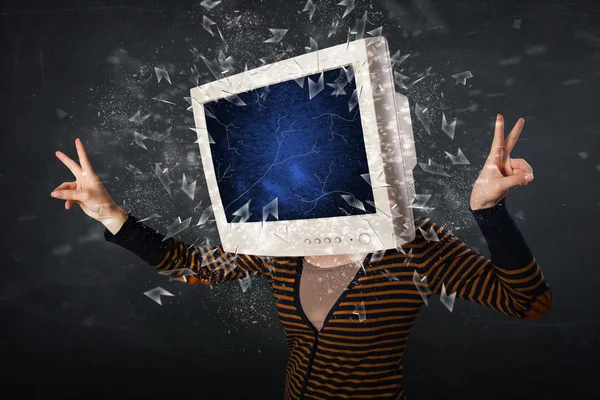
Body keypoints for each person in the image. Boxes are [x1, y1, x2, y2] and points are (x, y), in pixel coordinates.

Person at [50, 114, 552, 399]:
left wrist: (489, 211)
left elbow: (528, 302)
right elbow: (194, 268)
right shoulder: (284, 241)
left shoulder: (415, 243)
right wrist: (111, 214)